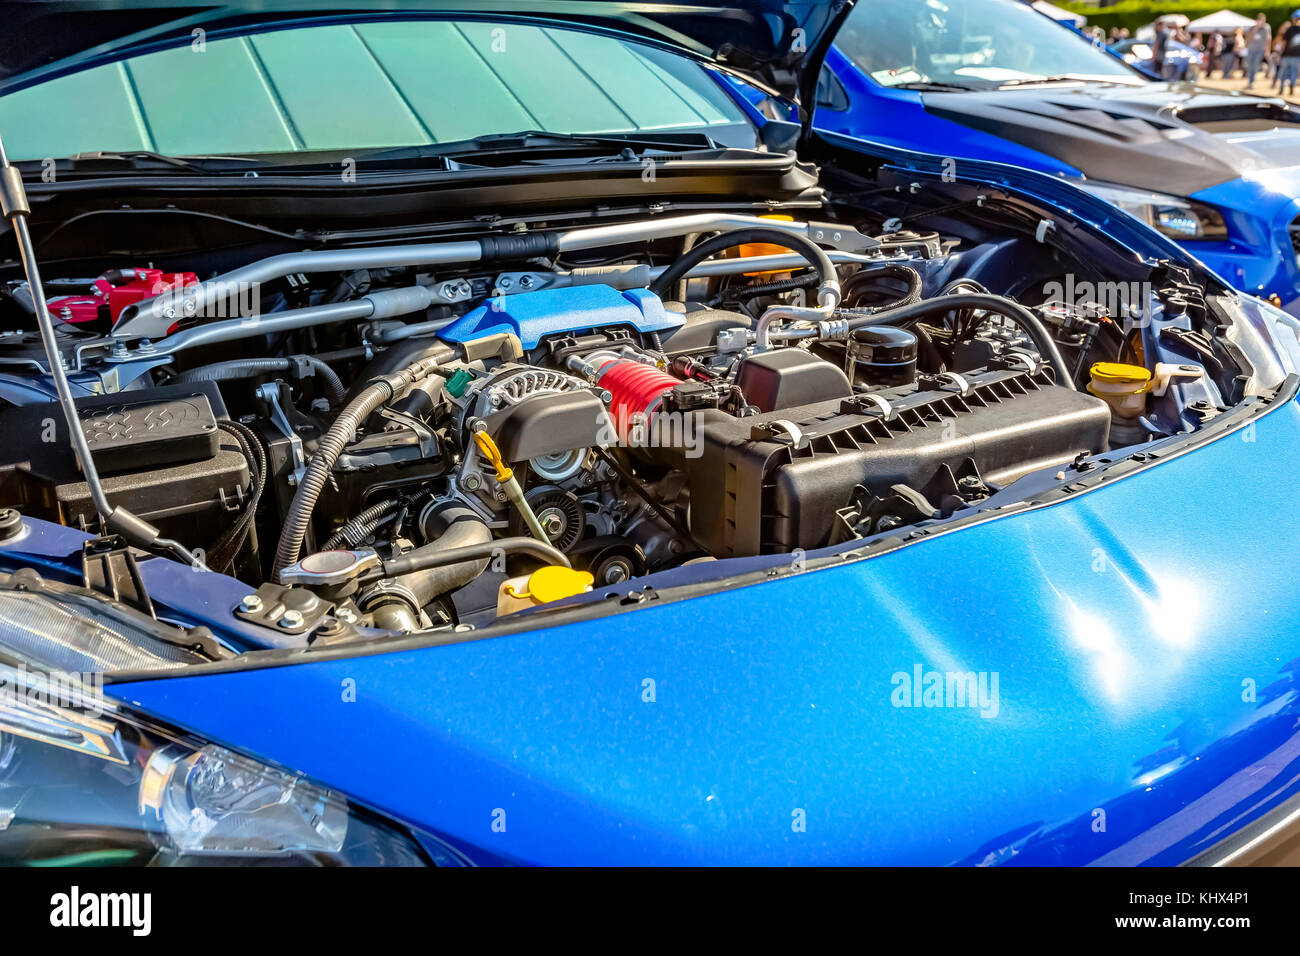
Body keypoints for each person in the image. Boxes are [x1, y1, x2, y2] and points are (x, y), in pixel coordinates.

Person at [1245, 14, 1272, 86]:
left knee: (1256, 65)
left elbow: (1268, 39)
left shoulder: (1266, 27)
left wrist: (1267, 50)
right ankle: (1250, 81)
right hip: (1251, 49)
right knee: (1250, 65)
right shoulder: (1252, 28)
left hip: (1260, 50)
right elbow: (1248, 39)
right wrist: (1256, 29)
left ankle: (1252, 80)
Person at [1279, 10, 1300, 95]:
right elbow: (1284, 42)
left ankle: (1284, 88)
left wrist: (1280, 53)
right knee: (1291, 72)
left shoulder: (1290, 29)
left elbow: (1283, 43)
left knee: (1285, 72)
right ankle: (1285, 88)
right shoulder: (1290, 29)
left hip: (1289, 55)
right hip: (1291, 55)